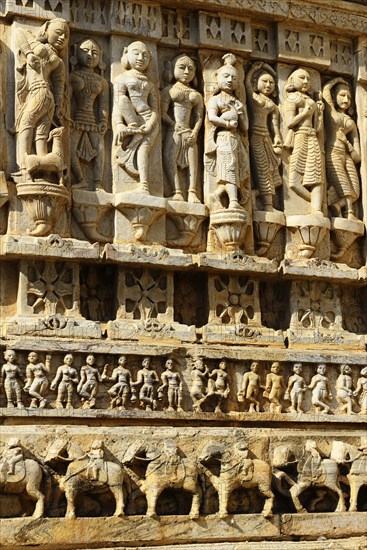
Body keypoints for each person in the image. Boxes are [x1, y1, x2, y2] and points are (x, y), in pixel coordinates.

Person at [15, 18, 69, 179]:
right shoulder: (58, 61)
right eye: (58, 33)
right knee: (41, 133)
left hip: (38, 92)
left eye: (66, 36)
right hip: (49, 98)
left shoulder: (41, 49)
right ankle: (44, 168)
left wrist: (29, 53)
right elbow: (59, 87)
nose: (62, 38)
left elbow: (19, 33)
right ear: (46, 31)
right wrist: (58, 106)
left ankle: (23, 165)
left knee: (25, 125)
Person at [113, 41, 159, 194]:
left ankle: (144, 185)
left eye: (145, 55)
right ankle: (132, 133)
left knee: (144, 149)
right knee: (122, 99)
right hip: (131, 118)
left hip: (149, 120)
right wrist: (119, 124)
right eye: (136, 53)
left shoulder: (151, 85)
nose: (141, 58)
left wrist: (151, 124)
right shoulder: (121, 79)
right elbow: (117, 103)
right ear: (126, 54)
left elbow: (155, 110)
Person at [205, 53, 249, 210]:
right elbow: (211, 117)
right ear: (217, 78)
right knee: (229, 167)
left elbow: (245, 128)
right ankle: (233, 201)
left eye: (234, 78)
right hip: (223, 138)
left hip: (236, 140)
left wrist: (241, 113)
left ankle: (217, 195)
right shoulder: (215, 99)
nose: (230, 80)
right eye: (226, 76)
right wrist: (227, 123)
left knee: (237, 168)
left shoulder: (238, 102)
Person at [161, 54, 204, 202]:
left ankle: (192, 191)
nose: (186, 72)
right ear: (172, 69)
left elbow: (199, 117)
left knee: (193, 162)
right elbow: (162, 113)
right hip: (175, 130)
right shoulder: (169, 90)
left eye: (190, 69)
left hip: (189, 131)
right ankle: (176, 190)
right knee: (169, 157)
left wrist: (195, 131)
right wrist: (173, 124)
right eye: (182, 67)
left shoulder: (196, 94)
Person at [283, 68, 324, 214]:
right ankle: (317, 202)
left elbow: (318, 129)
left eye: (308, 79)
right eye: (302, 78)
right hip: (299, 137)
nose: (306, 81)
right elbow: (289, 122)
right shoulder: (291, 99)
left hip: (312, 137)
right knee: (293, 181)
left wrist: (319, 114)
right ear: (292, 81)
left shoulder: (311, 101)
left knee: (315, 175)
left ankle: (317, 208)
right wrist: (305, 113)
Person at [70, 38, 109, 190]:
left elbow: (104, 105)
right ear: (75, 53)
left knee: (99, 150)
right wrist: (67, 118)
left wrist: (104, 121)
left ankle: (98, 183)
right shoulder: (73, 76)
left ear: (100, 57)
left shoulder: (102, 81)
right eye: (85, 51)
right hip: (77, 118)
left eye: (94, 52)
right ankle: (81, 179)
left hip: (93, 120)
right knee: (71, 149)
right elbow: (67, 98)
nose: (90, 55)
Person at [245, 62, 282, 212]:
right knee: (262, 169)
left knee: (272, 170)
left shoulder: (273, 105)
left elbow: (274, 125)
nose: (268, 85)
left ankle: (257, 195)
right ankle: (267, 205)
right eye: (264, 81)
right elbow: (246, 83)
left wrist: (277, 137)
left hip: (266, 137)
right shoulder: (253, 97)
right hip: (254, 136)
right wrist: (254, 68)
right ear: (256, 83)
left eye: (272, 82)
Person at [322, 78, 361, 220]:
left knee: (355, 191)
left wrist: (347, 143)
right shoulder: (331, 113)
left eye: (349, 97)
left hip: (346, 154)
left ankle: (338, 205)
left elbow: (358, 157)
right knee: (343, 185)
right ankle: (349, 212)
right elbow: (325, 90)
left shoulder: (351, 123)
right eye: (342, 95)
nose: (346, 99)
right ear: (334, 97)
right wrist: (337, 80)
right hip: (332, 152)